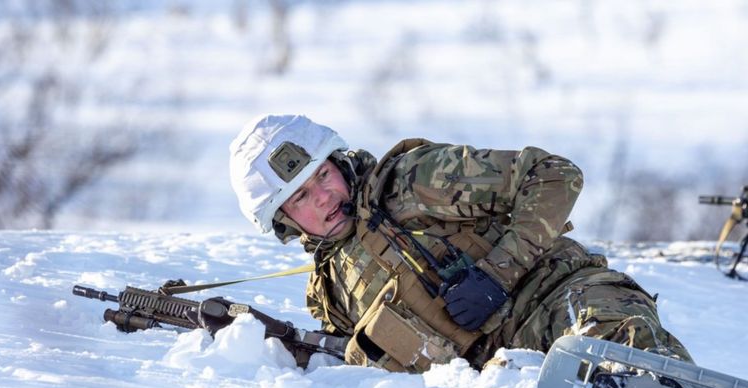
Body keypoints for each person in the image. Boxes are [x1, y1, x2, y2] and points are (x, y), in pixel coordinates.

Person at [228, 114, 692, 373]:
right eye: (301, 197)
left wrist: (497, 273)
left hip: (557, 294)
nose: (324, 196)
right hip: (504, 373)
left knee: (616, 352)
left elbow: (554, 175)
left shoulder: (413, 181)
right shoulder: (331, 291)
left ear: (339, 162)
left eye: (323, 175)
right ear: (286, 222)